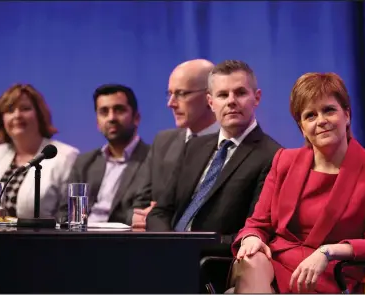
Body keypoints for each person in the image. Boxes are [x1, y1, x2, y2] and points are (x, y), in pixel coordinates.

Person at [231, 73, 365, 293]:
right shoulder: (284, 160)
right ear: (302, 127)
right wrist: (251, 238)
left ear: (346, 115)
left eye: (329, 110)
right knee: (250, 259)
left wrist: (328, 252)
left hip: (327, 271)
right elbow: (258, 223)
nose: (321, 121)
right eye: (310, 115)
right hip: (275, 263)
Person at [146, 60, 281, 246]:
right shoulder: (193, 147)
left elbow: (253, 234)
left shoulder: (273, 156)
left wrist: (187, 246)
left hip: (212, 262)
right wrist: (168, 243)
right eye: (223, 95)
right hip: (166, 252)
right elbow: (160, 212)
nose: (231, 101)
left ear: (256, 98)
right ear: (210, 102)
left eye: (240, 93)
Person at [0, 84, 79, 218]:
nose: (17, 115)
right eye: (10, 110)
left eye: (25, 109)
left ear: (39, 114)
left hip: (39, 238)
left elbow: (67, 216)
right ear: (2, 119)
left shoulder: (66, 156)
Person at [130, 59, 220, 228]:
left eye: (181, 93)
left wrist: (160, 217)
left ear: (210, 97)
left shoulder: (227, 146)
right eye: (170, 93)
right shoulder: (163, 141)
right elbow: (138, 203)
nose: (170, 103)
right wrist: (144, 217)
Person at [57, 84, 149, 225]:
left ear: (136, 118)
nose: (111, 118)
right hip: (81, 240)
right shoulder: (85, 163)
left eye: (119, 110)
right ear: (97, 123)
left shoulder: (152, 159)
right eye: (104, 112)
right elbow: (66, 212)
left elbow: (141, 212)